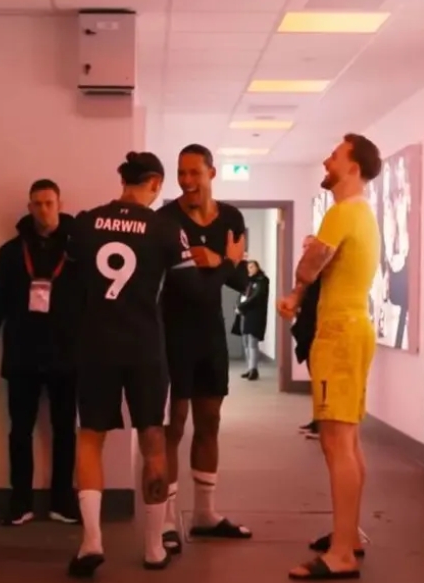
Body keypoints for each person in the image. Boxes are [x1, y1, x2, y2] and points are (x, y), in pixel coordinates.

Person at [65, 151, 245, 578]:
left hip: (96, 347)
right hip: (147, 347)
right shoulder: (164, 228)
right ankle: (152, 547)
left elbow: (70, 291)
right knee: (153, 439)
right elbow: (200, 294)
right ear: (155, 183)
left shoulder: (86, 223)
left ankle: (91, 541)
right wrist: (230, 263)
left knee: (89, 439)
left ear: (122, 180)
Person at [278, 133, 382, 580]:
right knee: (347, 439)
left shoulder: (342, 212)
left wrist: (298, 287)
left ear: (353, 168)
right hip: (355, 328)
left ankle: (341, 553)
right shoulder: (363, 214)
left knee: (337, 441)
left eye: (335, 156)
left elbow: (310, 266)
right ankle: (349, 536)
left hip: (338, 334)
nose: (327, 159)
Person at [157, 143, 251, 552]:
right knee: (173, 425)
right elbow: (186, 286)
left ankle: (204, 515)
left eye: (195, 172)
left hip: (211, 335)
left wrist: (215, 259)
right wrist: (224, 263)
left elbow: (242, 281)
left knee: (209, 421)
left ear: (212, 172)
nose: (188, 181)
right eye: (182, 173)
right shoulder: (165, 220)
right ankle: (166, 520)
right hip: (172, 332)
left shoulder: (230, 218)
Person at [0, 179, 81, 526]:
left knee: (66, 430)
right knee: (20, 430)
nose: (43, 210)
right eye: (37, 203)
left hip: (67, 356)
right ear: (29, 206)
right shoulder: (11, 252)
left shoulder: (79, 249)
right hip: (23, 356)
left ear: (60, 204)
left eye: (49, 203)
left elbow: (92, 301)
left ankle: (63, 501)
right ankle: (20, 502)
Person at [292, 236, 322, 439]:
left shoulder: (322, 274)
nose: (305, 250)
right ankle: (317, 421)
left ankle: (323, 425)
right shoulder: (307, 276)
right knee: (316, 380)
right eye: (303, 246)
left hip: (319, 332)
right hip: (308, 331)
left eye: (309, 246)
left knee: (321, 382)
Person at [232, 260, 271, 380]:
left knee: (252, 342)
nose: (250, 269)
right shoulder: (247, 281)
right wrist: (238, 306)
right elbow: (241, 295)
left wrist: (241, 307)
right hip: (245, 315)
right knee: (245, 343)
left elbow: (256, 297)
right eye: (248, 267)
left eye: (252, 266)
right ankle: (250, 368)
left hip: (255, 315)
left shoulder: (262, 281)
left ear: (258, 267)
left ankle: (254, 370)